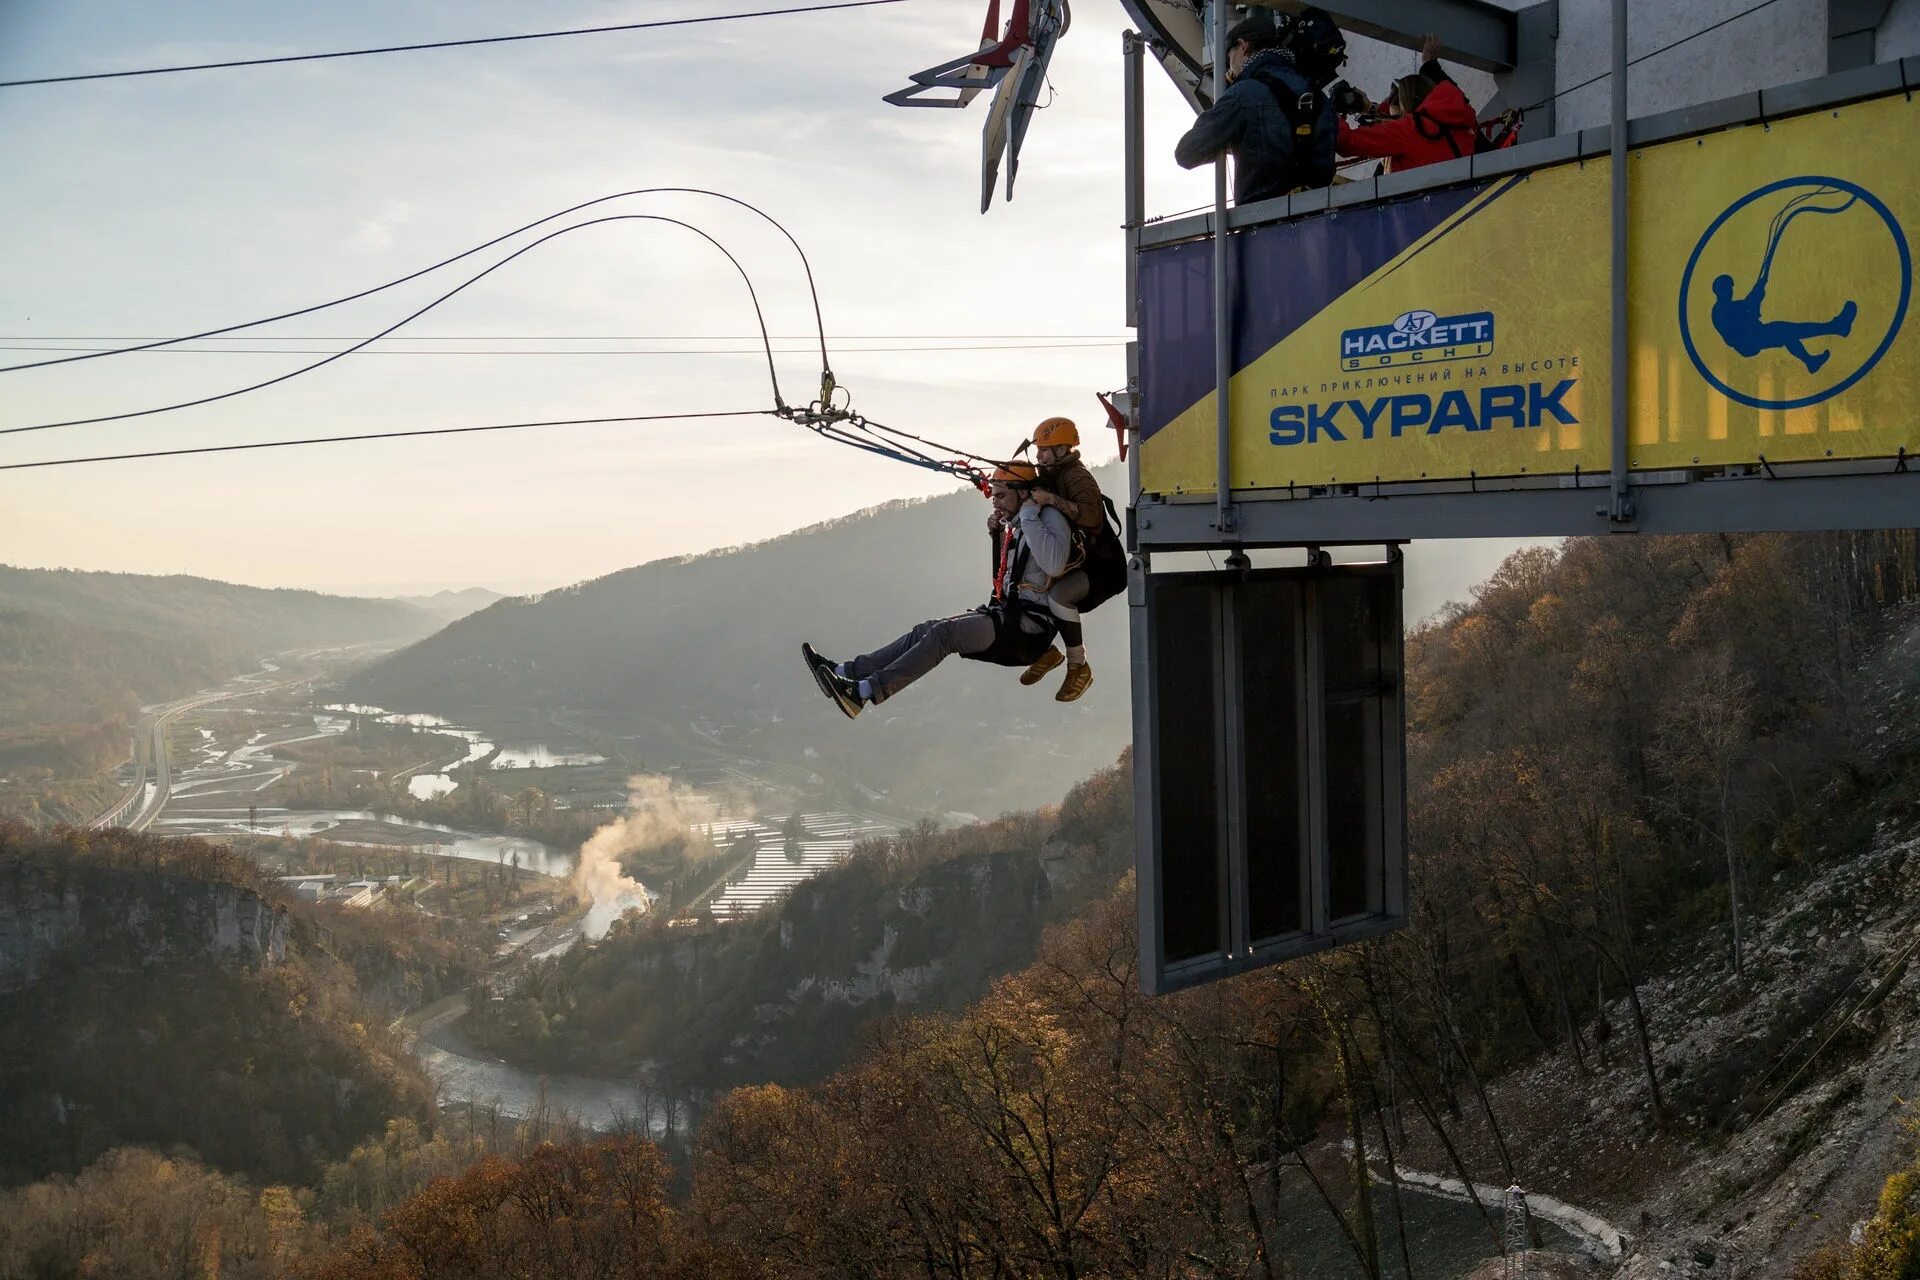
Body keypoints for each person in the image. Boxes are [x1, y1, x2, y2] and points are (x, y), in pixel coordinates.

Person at [801, 463, 1076, 719]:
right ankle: (844, 673)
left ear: (1025, 494)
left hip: (1028, 629)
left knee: (943, 636)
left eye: (1002, 497)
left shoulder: (1044, 518)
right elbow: (1018, 570)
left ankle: (863, 693)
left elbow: (1053, 564)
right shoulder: (1020, 523)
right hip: (1011, 619)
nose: (997, 504)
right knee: (927, 630)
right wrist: (1002, 532)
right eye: (994, 497)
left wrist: (1027, 515)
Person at [1172, 8, 1341, 205]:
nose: (1230, 69)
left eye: (1229, 58)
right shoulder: (1318, 97)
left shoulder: (1243, 94)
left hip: (1262, 224)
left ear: (1243, 46)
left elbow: (1186, 153)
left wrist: (1229, 141)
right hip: (1319, 219)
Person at [1019, 416, 1112, 702]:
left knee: (1059, 595)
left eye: (1044, 451)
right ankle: (1044, 651)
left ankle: (1078, 665)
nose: (1039, 456)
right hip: (1083, 559)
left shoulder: (1077, 477)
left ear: (1062, 449)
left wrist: (1053, 500)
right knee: (1029, 586)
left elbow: (1092, 518)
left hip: (1103, 565)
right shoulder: (1053, 474)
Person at [1336, 36, 1479, 174]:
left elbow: (1345, 142)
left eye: (1394, 98)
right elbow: (1459, 100)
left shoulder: (1411, 130)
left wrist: (1333, 114)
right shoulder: (1462, 123)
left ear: (1406, 102)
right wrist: (1430, 65)